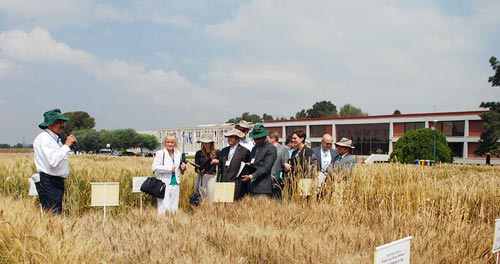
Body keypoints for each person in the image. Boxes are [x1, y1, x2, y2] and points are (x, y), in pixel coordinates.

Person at [33, 109, 78, 214]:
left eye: (63, 122)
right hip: (49, 183)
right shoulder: (44, 138)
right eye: (58, 122)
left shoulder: (54, 139)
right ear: (49, 125)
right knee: (53, 216)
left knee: (55, 215)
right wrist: (67, 145)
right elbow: (53, 161)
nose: (62, 125)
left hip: (55, 183)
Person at [152, 133, 187, 215]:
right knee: (164, 207)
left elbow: (180, 170)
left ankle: (173, 225)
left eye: (172, 142)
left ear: (175, 143)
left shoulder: (178, 153)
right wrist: (168, 169)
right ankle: (162, 224)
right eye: (168, 142)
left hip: (176, 183)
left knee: (174, 208)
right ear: (165, 143)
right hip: (164, 184)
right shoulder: (161, 153)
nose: (170, 144)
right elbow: (154, 167)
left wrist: (183, 168)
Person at [240, 124, 277, 198]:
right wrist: (249, 165)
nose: (256, 140)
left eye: (258, 138)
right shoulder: (254, 148)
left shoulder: (271, 149)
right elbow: (254, 162)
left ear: (264, 137)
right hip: (251, 187)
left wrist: (251, 176)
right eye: (254, 138)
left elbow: (266, 167)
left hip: (262, 187)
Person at [219, 128, 251, 200]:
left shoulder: (245, 152)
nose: (229, 139)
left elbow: (245, 171)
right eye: (228, 137)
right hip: (224, 186)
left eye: (231, 137)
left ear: (238, 139)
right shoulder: (224, 151)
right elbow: (220, 169)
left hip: (237, 187)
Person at [193, 133, 220, 204]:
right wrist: (198, 169)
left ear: (211, 143)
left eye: (207, 143)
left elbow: (222, 164)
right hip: (201, 177)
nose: (205, 144)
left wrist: (217, 161)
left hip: (212, 177)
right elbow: (196, 167)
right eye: (204, 143)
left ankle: (211, 212)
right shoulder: (198, 153)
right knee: (202, 198)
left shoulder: (217, 152)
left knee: (211, 197)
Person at [268, 131, 290, 200]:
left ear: (273, 139)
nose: (266, 140)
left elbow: (285, 162)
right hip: (266, 182)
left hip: (276, 181)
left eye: (267, 138)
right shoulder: (266, 149)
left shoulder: (283, 150)